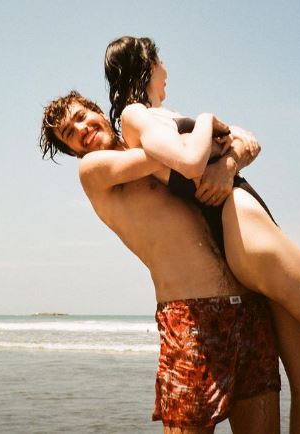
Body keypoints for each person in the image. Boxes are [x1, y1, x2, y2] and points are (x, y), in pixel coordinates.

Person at [103, 36, 300, 434]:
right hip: (245, 231)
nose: (167, 69)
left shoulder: (164, 117)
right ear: (147, 63)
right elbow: (189, 163)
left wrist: (228, 163)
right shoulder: (136, 115)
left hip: (248, 233)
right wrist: (210, 120)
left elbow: (248, 142)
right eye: (161, 59)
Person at [39, 91, 281, 434]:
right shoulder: (94, 169)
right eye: (69, 133)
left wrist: (229, 161)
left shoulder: (161, 143)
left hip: (248, 309)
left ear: (98, 112)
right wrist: (219, 139)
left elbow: (227, 148)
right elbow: (190, 154)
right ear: (72, 150)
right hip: (191, 320)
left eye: (81, 117)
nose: (81, 129)